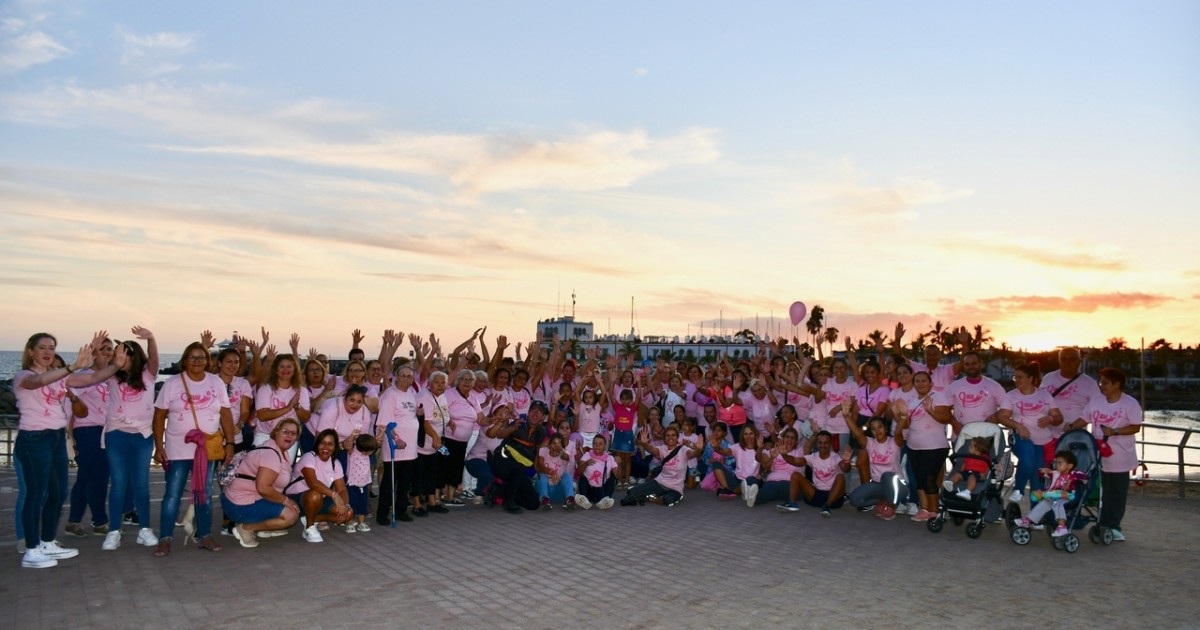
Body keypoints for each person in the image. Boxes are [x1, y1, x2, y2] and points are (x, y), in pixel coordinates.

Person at [14, 332, 105, 568]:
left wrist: (107, 358)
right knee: (36, 494)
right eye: (42, 347)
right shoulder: (23, 376)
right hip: (34, 439)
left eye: (51, 348)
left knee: (58, 493)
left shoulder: (59, 379)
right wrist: (73, 366)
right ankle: (31, 550)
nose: (47, 352)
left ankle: (46, 542)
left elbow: (94, 377)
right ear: (31, 351)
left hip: (56, 437)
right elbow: (36, 383)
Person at [152, 341, 236, 555]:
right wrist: (158, 446)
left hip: (207, 449)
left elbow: (225, 414)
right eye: (192, 357)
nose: (197, 361)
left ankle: (205, 535)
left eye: (201, 357)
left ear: (208, 361)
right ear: (184, 360)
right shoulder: (172, 383)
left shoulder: (216, 382)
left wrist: (230, 443)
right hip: (177, 449)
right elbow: (160, 415)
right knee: (172, 494)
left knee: (205, 494)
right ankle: (165, 537)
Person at [100, 329, 161, 551]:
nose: (117, 358)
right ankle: (113, 531)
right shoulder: (111, 376)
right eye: (115, 354)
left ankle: (145, 529)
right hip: (116, 434)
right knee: (118, 483)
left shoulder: (147, 375)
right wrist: (99, 347)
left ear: (132, 356)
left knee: (140, 484)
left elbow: (154, 359)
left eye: (121, 354)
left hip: (143, 436)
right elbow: (98, 365)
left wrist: (151, 339)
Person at [1075, 367, 1141, 542]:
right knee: (1102, 490)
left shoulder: (1130, 403)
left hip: (1121, 455)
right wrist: (1070, 428)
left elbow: (1135, 426)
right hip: (1099, 452)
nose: (1101, 385)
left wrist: (1116, 431)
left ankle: (1114, 525)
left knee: (1117, 491)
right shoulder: (1096, 400)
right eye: (1101, 382)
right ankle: (1103, 521)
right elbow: (1085, 418)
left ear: (1117, 384)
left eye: (1105, 382)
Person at [222, 419, 303, 548]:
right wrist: (287, 501)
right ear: (275, 432)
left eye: (293, 433)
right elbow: (263, 488)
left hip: (245, 499)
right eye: (285, 431)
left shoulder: (279, 451)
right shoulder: (270, 454)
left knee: (288, 508)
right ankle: (246, 528)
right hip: (238, 505)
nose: (289, 435)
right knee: (291, 516)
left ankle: (264, 527)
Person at [65, 335, 116, 538]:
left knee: (85, 478)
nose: (107, 352)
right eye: (102, 348)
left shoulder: (110, 377)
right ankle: (100, 521)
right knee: (99, 477)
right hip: (86, 431)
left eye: (109, 349)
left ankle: (73, 521)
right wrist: (71, 437)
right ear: (93, 353)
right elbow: (69, 407)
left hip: (104, 432)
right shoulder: (84, 377)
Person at [890, 371, 953, 522]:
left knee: (929, 478)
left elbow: (946, 418)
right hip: (914, 445)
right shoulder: (912, 401)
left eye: (924, 381)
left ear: (930, 383)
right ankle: (924, 509)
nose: (920, 384)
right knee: (919, 479)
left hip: (935, 446)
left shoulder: (938, 397)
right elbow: (906, 426)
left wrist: (931, 410)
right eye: (917, 381)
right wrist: (901, 415)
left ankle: (934, 510)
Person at [998, 362, 1062, 503]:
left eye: (1020, 377)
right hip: (1021, 438)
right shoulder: (1011, 396)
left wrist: (1050, 418)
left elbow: (1059, 418)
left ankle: (1035, 519)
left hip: (1042, 441)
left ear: (1031, 378)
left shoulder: (1045, 396)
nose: (1016, 381)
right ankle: (1018, 489)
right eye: (1015, 378)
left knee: (1037, 477)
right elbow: (1001, 416)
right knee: (1027, 460)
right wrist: (1018, 426)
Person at [375, 366, 426, 525]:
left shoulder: (412, 393)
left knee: (405, 481)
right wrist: (397, 439)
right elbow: (384, 423)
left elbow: (411, 414)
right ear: (396, 377)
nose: (406, 379)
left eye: (409, 376)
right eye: (402, 375)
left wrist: (419, 414)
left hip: (410, 448)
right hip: (394, 447)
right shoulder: (390, 395)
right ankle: (382, 514)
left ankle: (401, 510)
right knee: (389, 482)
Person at [289, 429, 354, 542]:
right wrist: (335, 495)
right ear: (317, 444)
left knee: (349, 513)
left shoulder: (335, 463)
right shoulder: (309, 457)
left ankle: (310, 518)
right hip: (297, 499)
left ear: (335, 447)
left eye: (330, 444)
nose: (326, 447)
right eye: (322, 442)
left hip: (319, 500)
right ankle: (309, 528)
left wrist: (344, 506)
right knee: (315, 494)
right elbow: (312, 483)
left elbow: (342, 490)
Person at [1040, 347, 1100, 467]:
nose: (1067, 362)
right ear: (1059, 361)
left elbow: (1096, 412)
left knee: (1073, 475)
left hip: (1075, 438)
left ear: (1079, 362)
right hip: (1047, 436)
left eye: (1072, 359)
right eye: (1063, 359)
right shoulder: (1048, 378)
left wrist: (1074, 425)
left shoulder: (1090, 384)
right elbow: (1040, 401)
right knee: (1047, 473)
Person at [490, 400, 550, 514]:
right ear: (528, 412)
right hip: (501, 461)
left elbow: (537, 455)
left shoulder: (541, 432)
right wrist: (513, 428)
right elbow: (499, 435)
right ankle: (509, 501)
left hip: (519, 471)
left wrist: (540, 469)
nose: (535, 414)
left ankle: (499, 491)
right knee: (519, 468)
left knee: (533, 504)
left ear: (543, 417)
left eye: (539, 412)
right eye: (533, 411)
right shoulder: (519, 423)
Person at [623, 424, 703, 507]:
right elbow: (651, 449)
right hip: (660, 482)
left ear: (677, 437)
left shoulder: (683, 450)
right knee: (631, 492)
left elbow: (693, 454)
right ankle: (655, 496)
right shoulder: (662, 449)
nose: (670, 437)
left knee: (668, 500)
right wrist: (645, 444)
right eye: (667, 435)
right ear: (664, 438)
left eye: (673, 435)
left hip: (675, 488)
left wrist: (699, 449)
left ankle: (650, 498)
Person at [845, 416, 908, 519]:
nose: (877, 431)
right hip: (878, 484)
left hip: (897, 485)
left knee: (886, 476)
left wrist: (903, 417)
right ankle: (882, 501)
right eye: (873, 429)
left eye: (880, 427)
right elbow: (857, 433)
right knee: (854, 499)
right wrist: (847, 416)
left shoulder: (894, 442)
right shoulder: (870, 443)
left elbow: (898, 432)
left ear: (886, 429)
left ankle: (891, 506)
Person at [778, 431, 851, 517]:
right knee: (796, 475)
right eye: (820, 443)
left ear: (830, 444)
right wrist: (784, 455)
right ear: (816, 444)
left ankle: (827, 506)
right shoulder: (813, 457)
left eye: (826, 443)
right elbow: (795, 461)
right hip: (816, 495)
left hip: (834, 499)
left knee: (841, 477)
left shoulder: (836, 457)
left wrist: (846, 461)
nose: (822, 445)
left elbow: (846, 469)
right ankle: (792, 503)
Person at [1016, 451, 1087, 537]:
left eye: (1060, 463)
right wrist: (1043, 471)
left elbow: (1083, 475)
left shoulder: (1073, 474)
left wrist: (1071, 479)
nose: (1057, 465)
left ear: (1070, 466)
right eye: (1056, 462)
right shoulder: (1055, 473)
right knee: (1043, 503)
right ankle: (1028, 520)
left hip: (1067, 497)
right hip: (1054, 496)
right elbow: (1041, 473)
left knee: (1057, 504)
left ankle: (1062, 527)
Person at [253, 354, 311, 458]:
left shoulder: (302, 391)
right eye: (282, 366)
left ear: (295, 370)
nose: (285, 369)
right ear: (275, 369)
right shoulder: (266, 389)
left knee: (284, 472)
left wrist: (296, 406)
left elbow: (305, 417)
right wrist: (288, 407)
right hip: (265, 436)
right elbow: (262, 415)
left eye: (289, 366)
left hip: (289, 439)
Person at [443, 370, 487, 507]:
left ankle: (450, 497)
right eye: (464, 379)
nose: (467, 382)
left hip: (462, 441)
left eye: (470, 380)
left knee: (456, 468)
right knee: (445, 467)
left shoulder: (473, 398)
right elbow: (441, 410)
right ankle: (439, 497)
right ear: (458, 380)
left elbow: (481, 419)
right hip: (447, 439)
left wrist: (493, 420)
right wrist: (448, 420)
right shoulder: (450, 394)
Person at [945, 351, 1006, 434]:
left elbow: (1007, 407)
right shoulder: (954, 386)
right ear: (963, 366)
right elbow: (944, 409)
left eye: (974, 363)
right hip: (961, 436)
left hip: (988, 436)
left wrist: (997, 416)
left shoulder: (994, 386)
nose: (971, 367)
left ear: (980, 364)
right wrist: (954, 423)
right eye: (967, 364)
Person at [345, 434, 379, 533]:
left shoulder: (367, 455)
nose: (372, 452)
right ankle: (349, 522)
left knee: (362, 505)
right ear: (365, 449)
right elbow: (348, 444)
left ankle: (361, 523)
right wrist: (352, 435)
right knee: (351, 505)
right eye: (371, 450)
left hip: (363, 485)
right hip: (353, 485)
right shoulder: (353, 453)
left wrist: (381, 432)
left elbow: (376, 441)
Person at [575, 434, 618, 509]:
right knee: (582, 478)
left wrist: (619, 464)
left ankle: (604, 501)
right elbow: (579, 471)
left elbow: (618, 475)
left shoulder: (610, 458)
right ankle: (584, 500)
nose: (597, 446)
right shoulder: (587, 454)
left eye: (600, 444)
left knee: (612, 479)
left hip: (601, 490)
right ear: (592, 445)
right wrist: (586, 464)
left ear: (605, 446)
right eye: (595, 443)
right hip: (589, 489)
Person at [535, 434, 577, 509]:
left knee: (567, 475)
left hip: (558, 490)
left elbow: (566, 456)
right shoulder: (543, 450)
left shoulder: (565, 453)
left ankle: (570, 499)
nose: (556, 446)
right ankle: (545, 499)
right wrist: (551, 472)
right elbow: (540, 466)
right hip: (545, 488)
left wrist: (560, 450)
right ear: (550, 445)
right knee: (541, 476)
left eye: (559, 444)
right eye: (554, 443)